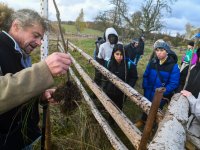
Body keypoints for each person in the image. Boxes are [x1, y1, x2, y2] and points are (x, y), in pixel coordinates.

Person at [0, 9, 71, 150]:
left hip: (22, 138)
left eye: (41, 38)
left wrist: (40, 95)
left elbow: (18, 89)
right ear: (16, 26)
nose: (39, 43)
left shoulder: (22, 53)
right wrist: (43, 70)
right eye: (36, 35)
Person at [135, 39, 180, 128]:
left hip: (160, 95)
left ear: (167, 51)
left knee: (155, 111)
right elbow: (146, 75)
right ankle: (142, 121)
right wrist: (146, 86)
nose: (159, 53)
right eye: (157, 50)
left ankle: (151, 127)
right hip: (148, 91)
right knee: (146, 107)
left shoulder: (173, 66)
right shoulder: (153, 62)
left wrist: (163, 93)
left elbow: (174, 83)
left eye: (162, 50)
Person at [104, 43, 138, 125]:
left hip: (122, 92)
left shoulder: (129, 64)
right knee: (110, 105)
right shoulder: (109, 62)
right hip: (110, 90)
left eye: (121, 54)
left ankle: (117, 120)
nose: (119, 57)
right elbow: (105, 75)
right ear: (113, 54)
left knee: (119, 106)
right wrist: (105, 86)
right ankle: (110, 119)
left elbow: (134, 77)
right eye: (117, 54)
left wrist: (128, 87)